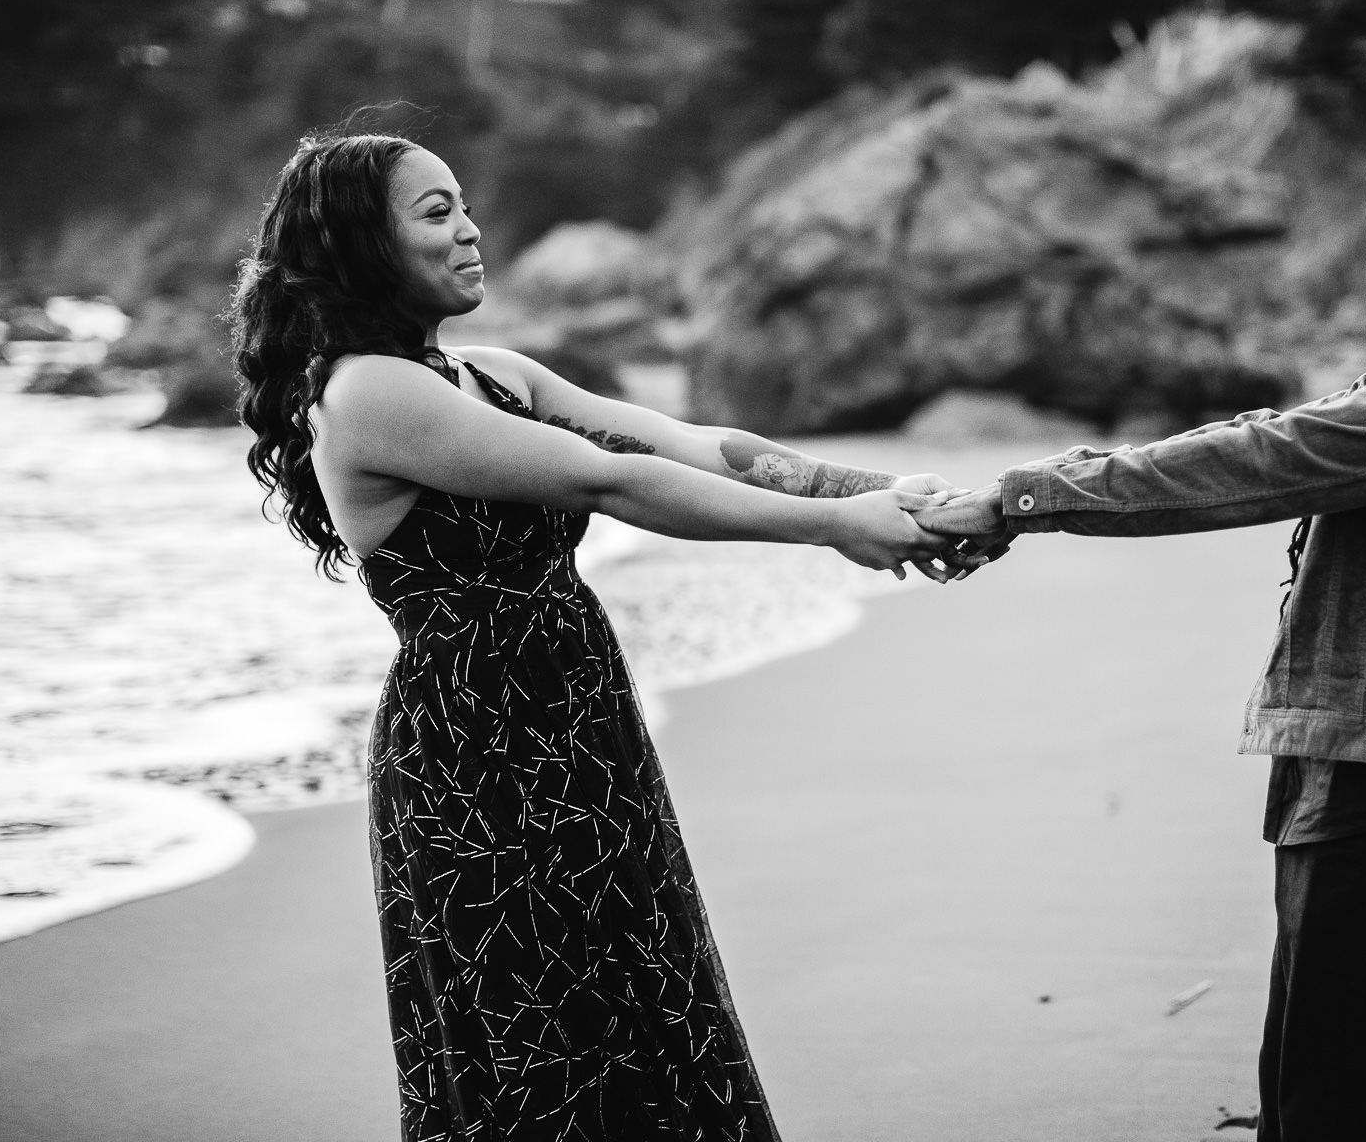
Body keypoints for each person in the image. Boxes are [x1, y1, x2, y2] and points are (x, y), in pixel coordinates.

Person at [920, 69, 1366, 1139]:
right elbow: (1307, 433)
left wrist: (1023, 493)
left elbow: (1275, 459)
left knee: (1325, 1105)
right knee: (1312, 1092)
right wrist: (1031, 490)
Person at [231, 131, 956, 1141]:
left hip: (579, 726)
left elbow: (691, 447)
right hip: (477, 757)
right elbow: (609, 480)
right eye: (434, 212)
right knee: (542, 1050)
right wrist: (837, 531)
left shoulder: (494, 377)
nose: (471, 228)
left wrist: (881, 495)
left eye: (464, 202)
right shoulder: (366, 392)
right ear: (361, 245)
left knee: (641, 1009)